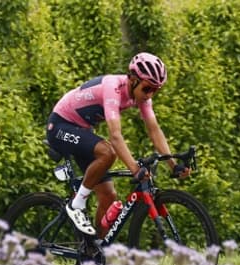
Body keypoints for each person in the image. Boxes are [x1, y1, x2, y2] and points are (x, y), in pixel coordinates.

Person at [45, 52, 190, 237]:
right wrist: (135, 169)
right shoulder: (112, 87)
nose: (150, 94)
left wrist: (173, 164)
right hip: (59, 126)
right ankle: (76, 205)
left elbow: (154, 130)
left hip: (82, 130)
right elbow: (115, 136)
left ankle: (93, 252)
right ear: (133, 80)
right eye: (147, 88)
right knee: (108, 152)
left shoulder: (143, 96)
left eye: (155, 90)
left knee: (108, 196)